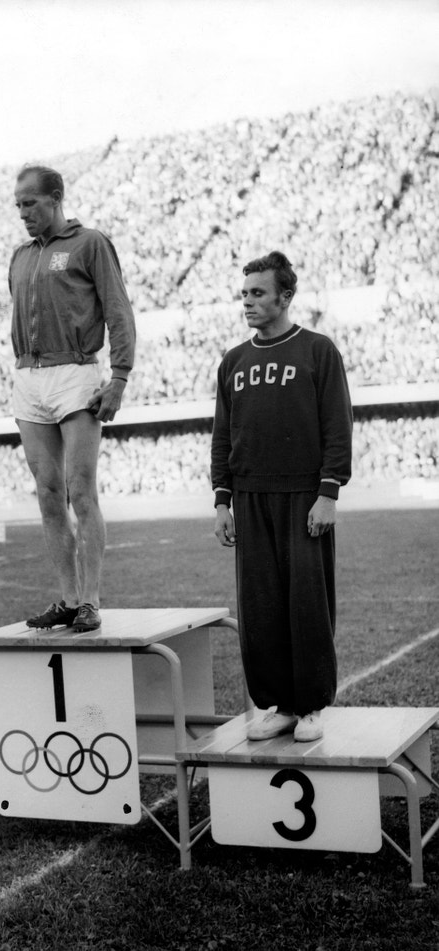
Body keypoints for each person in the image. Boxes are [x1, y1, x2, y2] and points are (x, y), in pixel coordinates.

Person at [211, 251, 353, 742]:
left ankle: (310, 704)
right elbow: (223, 436)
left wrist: (328, 493)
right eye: (244, 293)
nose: (247, 301)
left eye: (257, 293)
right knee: (261, 609)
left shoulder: (318, 350)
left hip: (303, 497)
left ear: (285, 296)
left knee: (307, 605)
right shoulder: (233, 361)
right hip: (250, 500)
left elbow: (337, 426)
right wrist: (222, 501)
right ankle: (280, 704)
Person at [9, 165, 136, 632]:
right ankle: (66, 597)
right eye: (18, 205)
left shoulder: (90, 243)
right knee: (47, 493)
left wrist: (119, 376)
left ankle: (90, 600)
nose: (23, 213)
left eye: (31, 203)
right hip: (29, 375)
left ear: (56, 198)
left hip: (76, 372)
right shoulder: (20, 256)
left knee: (80, 489)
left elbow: (118, 310)